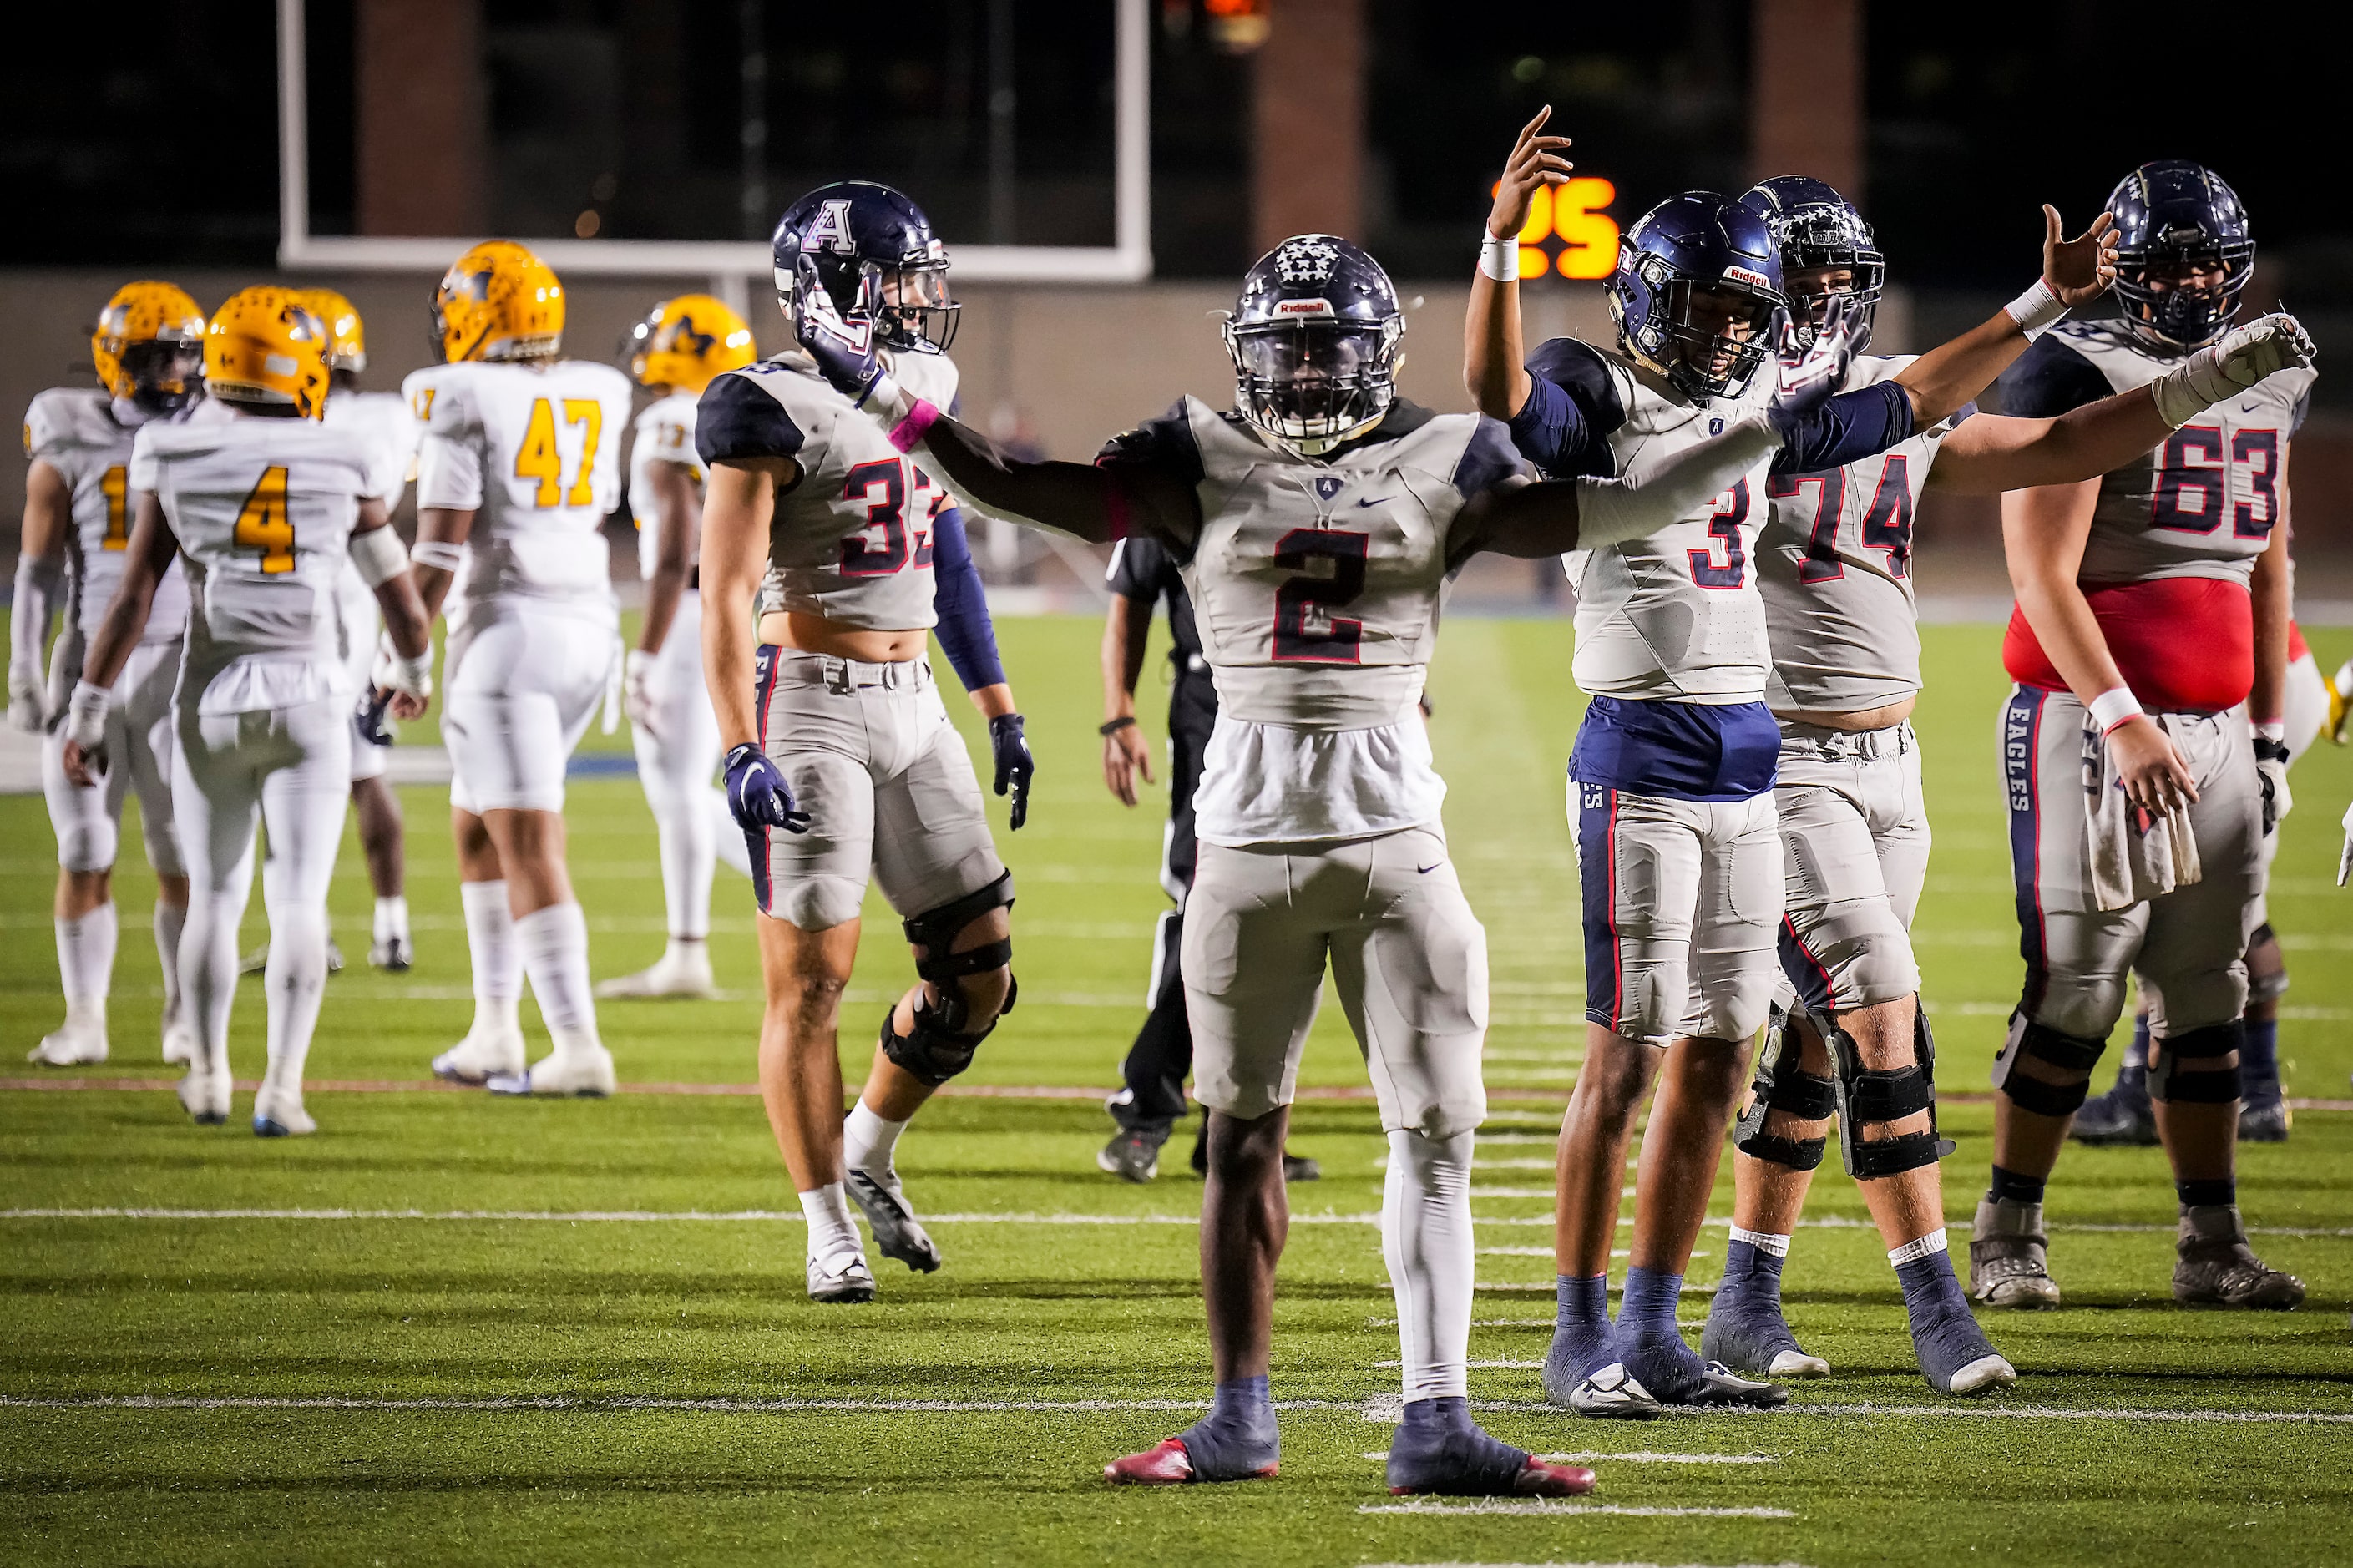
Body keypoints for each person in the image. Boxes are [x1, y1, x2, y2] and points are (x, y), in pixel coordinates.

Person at [801, 219, 1870, 1495]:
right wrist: (880, 394)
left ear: (1375, 353)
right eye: (1289, 349)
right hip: (1248, 844)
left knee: (1436, 1140)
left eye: (1332, 348)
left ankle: (1437, 1417)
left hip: (1386, 845)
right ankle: (1237, 1418)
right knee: (1239, 1136)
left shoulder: (1439, 452)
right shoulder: (1195, 452)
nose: (1308, 371)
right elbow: (1013, 484)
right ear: (1252, 354)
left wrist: (1759, 431)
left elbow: (1624, 503)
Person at [1466, 109, 2118, 1414]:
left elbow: (1914, 397)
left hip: (1746, 749)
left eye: (1739, 313)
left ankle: (1659, 1328)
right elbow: (1500, 401)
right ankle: (1577, 1334)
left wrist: (2041, 299)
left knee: (1721, 1048)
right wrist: (1497, 247)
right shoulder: (1594, 388)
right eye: (1702, 308)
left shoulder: (1764, 410)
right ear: (1646, 301)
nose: (1721, 334)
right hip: (1640, 750)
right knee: (1625, 1053)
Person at [1694, 175, 2315, 1392]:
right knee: (1880, 1006)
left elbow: (2058, 442)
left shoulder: (1897, 404)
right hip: (1775, 755)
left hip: (1890, 758)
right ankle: (1942, 1301)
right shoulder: (1711, 415)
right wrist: (2039, 309)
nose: (1819, 306)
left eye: (1837, 285)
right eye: (1798, 285)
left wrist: (2207, 382)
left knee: (1816, 1039)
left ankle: (1742, 1296)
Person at [1972, 160, 2316, 1313]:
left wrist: (2268, 733)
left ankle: (2209, 1240)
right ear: (2120, 263)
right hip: (2090, 721)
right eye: (2165, 258)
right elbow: (2038, 569)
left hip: (2220, 725)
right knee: (2077, 984)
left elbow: (2265, 558)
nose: (2191, 280)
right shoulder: (2071, 362)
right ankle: (2006, 1226)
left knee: (2207, 988)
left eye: (2209, 258)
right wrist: (2120, 717)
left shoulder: (2269, 371)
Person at [696, 182, 1035, 1304]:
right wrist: (738, 742)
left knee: (978, 970)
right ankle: (823, 1224)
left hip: (914, 697)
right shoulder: (760, 404)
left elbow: (946, 556)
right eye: (898, 279)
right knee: (810, 979)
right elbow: (726, 591)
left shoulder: (923, 383)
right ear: (836, 285)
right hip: (808, 696)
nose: (919, 300)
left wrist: (994, 703)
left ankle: (869, 1147)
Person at [58, 287, 434, 1135]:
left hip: (211, 699)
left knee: (216, 898)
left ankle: (210, 1073)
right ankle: (283, 1091)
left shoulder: (172, 449)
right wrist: (411, 668)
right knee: (297, 900)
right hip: (308, 696)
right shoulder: (342, 455)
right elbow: (405, 605)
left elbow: (128, 602)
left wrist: (86, 710)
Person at [401, 241, 636, 1097]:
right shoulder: (599, 389)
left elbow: (436, 547)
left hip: (509, 634)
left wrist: (402, 651)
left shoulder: (462, 395)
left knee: (528, 838)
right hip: (586, 627)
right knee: (478, 826)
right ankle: (494, 1029)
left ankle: (577, 1046)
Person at [11, 282, 204, 1068]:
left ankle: (184, 1014)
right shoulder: (70, 436)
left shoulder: (213, 433)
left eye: (181, 355)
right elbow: (34, 573)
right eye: (153, 356)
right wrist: (24, 673)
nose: (170, 371)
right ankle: (84, 1017)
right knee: (84, 848)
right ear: (114, 360)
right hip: (88, 664)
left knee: (177, 855)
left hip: (178, 668)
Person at [1096, 537, 1317, 1186]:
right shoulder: (1183, 450)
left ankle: (1235, 1125)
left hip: (1316, 700)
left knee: (1288, 914)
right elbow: (1131, 592)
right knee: (1208, 904)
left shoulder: (1323, 455)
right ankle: (1148, 1107)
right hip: (1216, 701)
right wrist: (1118, 714)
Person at [2073, 610, 2330, 1145]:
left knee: (2180, 894)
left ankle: (2149, 1090)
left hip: (2242, 682)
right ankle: (2256, 1088)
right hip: (2254, 673)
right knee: (2226, 897)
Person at [235, 291, 423, 979]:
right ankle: (391, 929)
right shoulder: (386, 417)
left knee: (282, 772)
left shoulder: (282, 425)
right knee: (363, 771)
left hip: (298, 604)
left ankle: (305, 931)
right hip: (360, 598)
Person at [598, 294, 759, 1000]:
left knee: (681, 792)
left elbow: (673, 551)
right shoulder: (743, 415)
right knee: (694, 789)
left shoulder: (667, 422)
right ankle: (799, 874)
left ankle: (690, 950)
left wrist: (644, 654)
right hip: (739, 609)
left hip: (690, 613)